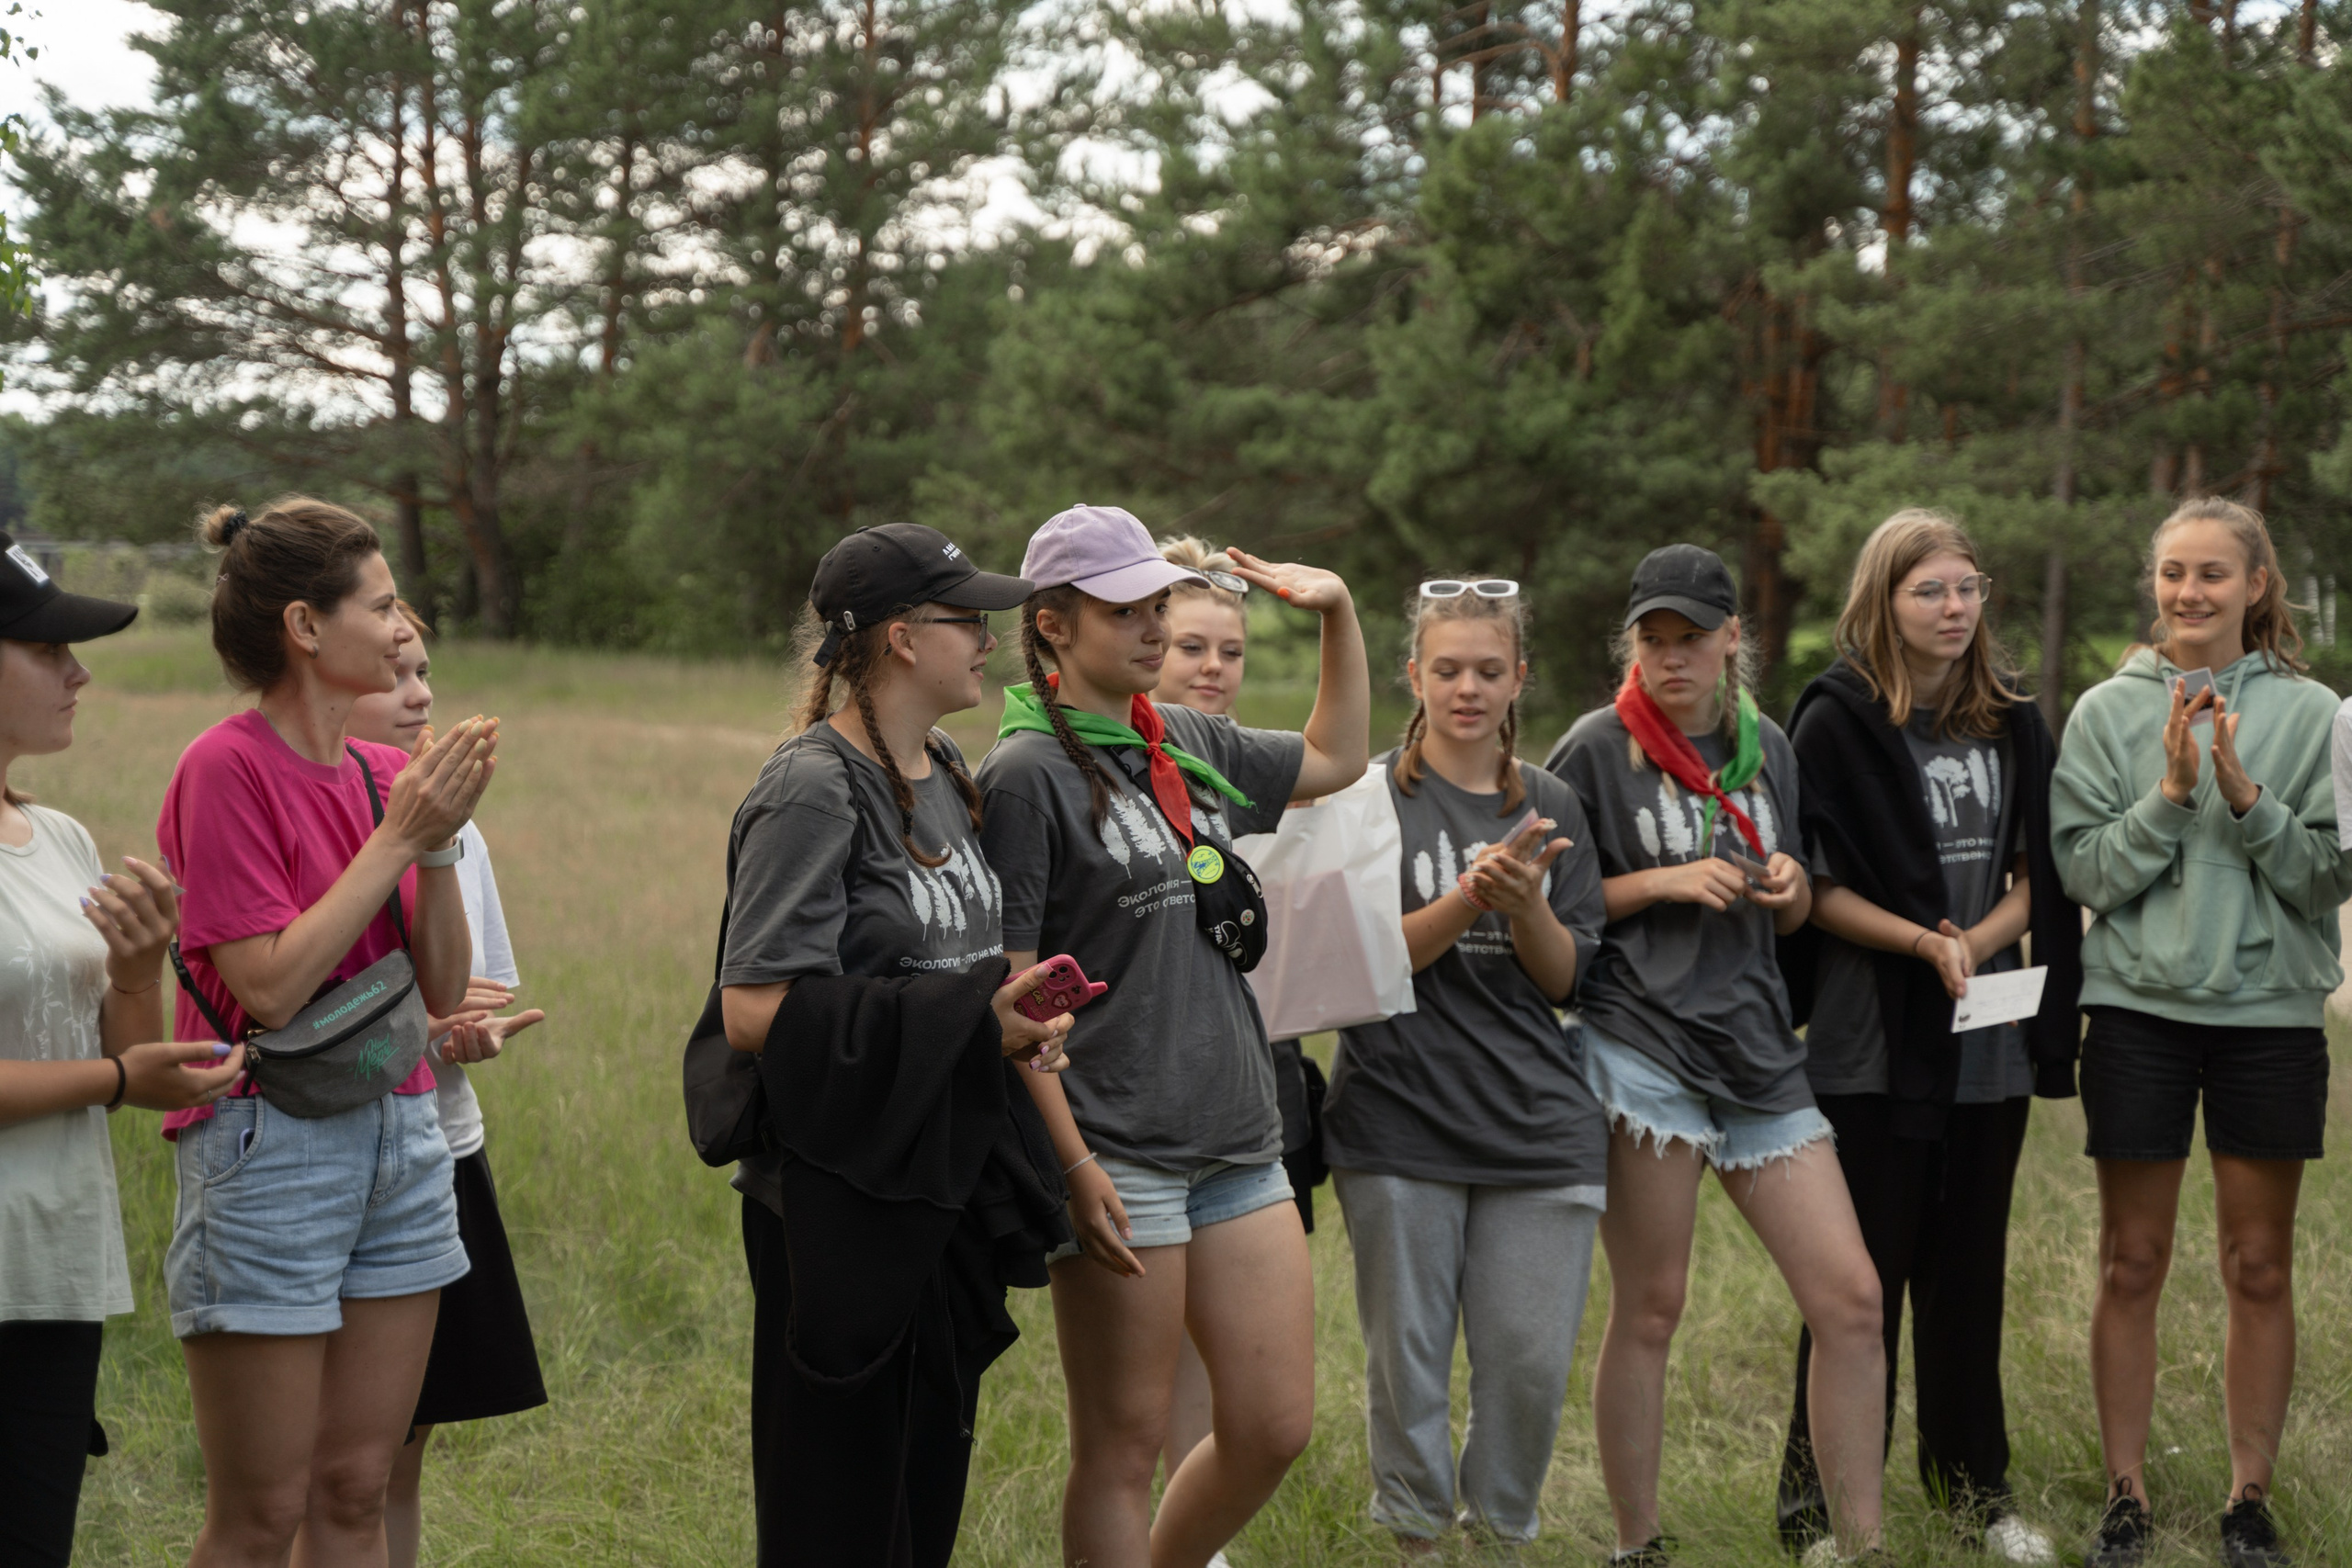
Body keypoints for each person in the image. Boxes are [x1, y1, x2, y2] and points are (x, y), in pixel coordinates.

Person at [976, 503, 1369, 1568]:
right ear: (1052, 623)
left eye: (1160, 604)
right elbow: (1015, 1005)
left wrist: (1337, 613)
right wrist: (1074, 1162)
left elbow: (1336, 756)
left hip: (1238, 1135)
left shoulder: (1179, 737)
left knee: (1273, 1424)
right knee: (1121, 1445)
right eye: (1128, 611)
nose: (1155, 630)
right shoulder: (1023, 775)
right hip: (1119, 1149)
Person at [717, 523, 1079, 1568]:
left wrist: (1009, 1026)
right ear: (900, 639)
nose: (990, 641)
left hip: (933, 1176)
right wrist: (971, 1020)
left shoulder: (943, 763)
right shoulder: (812, 787)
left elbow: (944, 973)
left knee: (919, 1499)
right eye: (968, 620)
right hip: (837, 1198)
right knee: (838, 1515)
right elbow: (752, 1008)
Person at [157, 497, 497, 1568]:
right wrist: (400, 843)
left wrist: (437, 843)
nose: (404, 630)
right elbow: (266, 985)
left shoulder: (386, 776)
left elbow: (442, 985)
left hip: (402, 1138)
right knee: (263, 1516)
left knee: (355, 1487)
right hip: (268, 1147)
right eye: (382, 605)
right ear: (306, 627)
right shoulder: (226, 768)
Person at [1545, 544, 1886, 1565]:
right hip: (1641, 1048)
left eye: (1691, 639)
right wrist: (1659, 882)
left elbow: (1788, 922)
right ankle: (1637, 1545)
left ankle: (1862, 1546)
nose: (1670, 658)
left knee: (1852, 1300)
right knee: (1652, 1305)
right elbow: (1550, 909)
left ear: (1734, 639)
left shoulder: (1766, 745)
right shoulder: (1596, 749)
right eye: (1652, 640)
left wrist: (1787, 891)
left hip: (1757, 1054)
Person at [1777, 512, 2082, 1564]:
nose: (1953, 610)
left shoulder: (2012, 721)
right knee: (1853, 1289)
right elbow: (1812, 891)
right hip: (1871, 1042)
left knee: (1968, 1279)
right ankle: (1815, 1514)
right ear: (1883, 600)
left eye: (1967, 589)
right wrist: (1920, 943)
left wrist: (1975, 943)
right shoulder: (1835, 722)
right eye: (1929, 592)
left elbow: (2043, 871)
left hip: (1983, 1031)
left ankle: (1976, 1499)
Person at [2052, 497, 2351, 1568]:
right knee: (2130, 1261)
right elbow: (2082, 870)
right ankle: (2123, 1500)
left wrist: (2249, 798)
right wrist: (2173, 797)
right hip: (2136, 1015)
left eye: (2213, 574)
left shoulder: (2319, 717)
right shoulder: (2102, 713)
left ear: (2256, 585)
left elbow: (2331, 877)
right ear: (2155, 581)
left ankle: (2248, 1503)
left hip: (2267, 1020)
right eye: (2174, 572)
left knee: (2258, 1265)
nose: (2190, 592)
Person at [1319, 577, 1606, 1552]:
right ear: (1413, 675)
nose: (1467, 689)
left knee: (1526, 1364)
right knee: (1407, 1367)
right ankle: (1414, 1538)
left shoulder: (1555, 800)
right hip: (1398, 1121)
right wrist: (1465, 901)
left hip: (1540, 1128)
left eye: (1489, 670)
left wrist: (1526, 906)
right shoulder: (1365, 799)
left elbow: (1568, 980)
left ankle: (1501, 1534)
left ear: (1519, 677)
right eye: (1446, 669)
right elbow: (1359, 962)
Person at [0, 539, 246, 1568]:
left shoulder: (54, 837)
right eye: (48, 647)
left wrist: (140, 971)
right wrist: (112, 1077)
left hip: (49, 1263)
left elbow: (127, 1063)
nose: (78, 673)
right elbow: (114, 1076)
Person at [345, 605, 548, 1568]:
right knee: (338, 1464)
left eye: (426, 673)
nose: (421, 696)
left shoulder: (458, 834)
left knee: (403, 1453)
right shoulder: (299, 815)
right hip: (336, 1159)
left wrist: (470, 1033)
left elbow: (476, 987)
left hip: (441, 1147)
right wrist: (418, 1023)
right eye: (395, 677)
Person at [1147, 536, 1325, 1519]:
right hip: (1149, 1095)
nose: (1213, 669)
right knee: (1165, 1336)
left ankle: (1196, 1527)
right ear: (1146, 647)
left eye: (1231, 652)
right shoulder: (1107, 764)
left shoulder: (1251, 766)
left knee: (1240, 1337)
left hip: (1258, 1074)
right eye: (1190, 648)